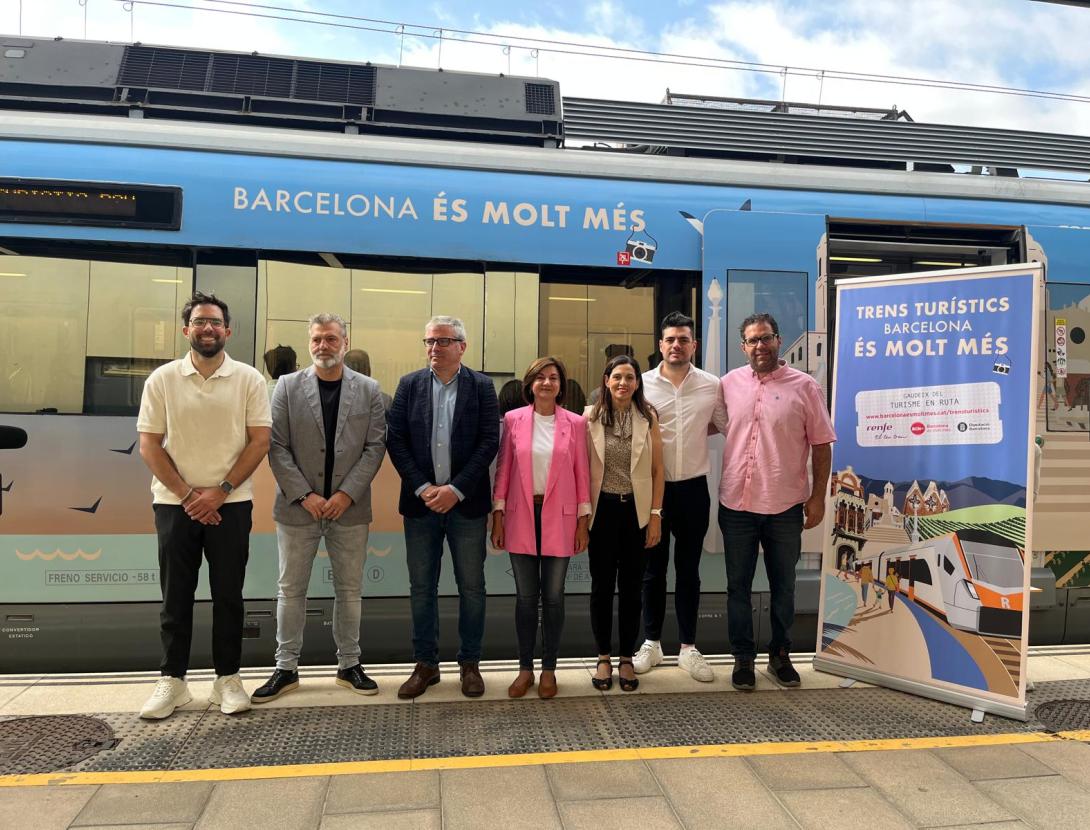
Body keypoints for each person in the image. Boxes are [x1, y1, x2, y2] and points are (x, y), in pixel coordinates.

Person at [136, 291, 271, 719]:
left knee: (229, 594)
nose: (207, 328)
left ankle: (227, 679)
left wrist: (221, 490)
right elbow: (149, 444)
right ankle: (172, 681)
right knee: (175, 595)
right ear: (186, 330)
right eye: (199, 321)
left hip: (232, 503)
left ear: (227, 331)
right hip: (174, 504)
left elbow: (260, 441)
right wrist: (189, 495)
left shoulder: (249, 379)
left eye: (214, 322)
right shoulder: (162, 380)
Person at [252, 313, 387, 703]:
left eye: (330, 338)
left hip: (350, 509)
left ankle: (349, 665)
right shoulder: (287, 387)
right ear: (309, 343)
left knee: (350, 590)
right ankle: (286, 668)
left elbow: (375, 446)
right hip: (299, 509)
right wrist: (304, 495)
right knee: (290, 590)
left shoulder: (369, 390)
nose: (323, 346)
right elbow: (276, 446)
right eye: (316, 339)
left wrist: (346, 494)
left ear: (345, 342)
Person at [718, 312, 835, 691]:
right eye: (752, 340)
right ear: (743, 347)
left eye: (766, 338)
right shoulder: (728, 384)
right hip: (736, 505)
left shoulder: (805, 387)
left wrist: (818, 497)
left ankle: (780, 655)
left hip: (784, 507)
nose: (760, 346)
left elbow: (821, 444)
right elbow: (699, 424)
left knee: (783, 586)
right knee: (737, 587)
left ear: (778, 340)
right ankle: (743, 658)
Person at [386, 316, 499, 698]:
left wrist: (456, 489)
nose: (434, 348)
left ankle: (470, 664)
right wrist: (423, 488)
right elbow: (396, 440)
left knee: (472, 587)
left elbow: (489, 441)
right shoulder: (409, 385)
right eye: (429, 341)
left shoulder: (481, 386)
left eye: (443, 341)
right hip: (421, 507)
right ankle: (426, 665)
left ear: (462, 346)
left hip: (466, 506)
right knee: (422, 588)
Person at [634, 311, 727, 681]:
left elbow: (723, 424)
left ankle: (688, 647)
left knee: (689, 570)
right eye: (670, 339)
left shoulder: (711, 385)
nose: (676, 345)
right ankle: (652, 643)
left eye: (683, 339)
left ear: (694, 345)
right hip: (652, 490)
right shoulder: (641, 384)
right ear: (660, 345)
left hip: (693, 489)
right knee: (652, 570)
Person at [492, 357, 591, 699]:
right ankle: (525, 669)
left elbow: (581, 474)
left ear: (561, 385)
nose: (547, 383)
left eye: (553, 378)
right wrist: (498, 514)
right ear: (530, 384)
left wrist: (583, 520)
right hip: (521, 514)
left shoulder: (575, 423)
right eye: (540, 378)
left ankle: (549, 668)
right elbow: (503, 469)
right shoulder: (514, 420)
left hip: (561, 518)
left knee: (553, 597)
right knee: (525, 598)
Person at [585, 355, 664, 692]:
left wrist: (656, 516)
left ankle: (627, 659)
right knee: (602, 588)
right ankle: (603, 657)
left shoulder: (648, 417)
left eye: (629, 377)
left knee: (632, 589)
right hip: (601, 513)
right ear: (606, 380)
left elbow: (658, 470)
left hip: (636, 513)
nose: (623, 383)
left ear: (637, 383)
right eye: (617, 376)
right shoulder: (589, 417)